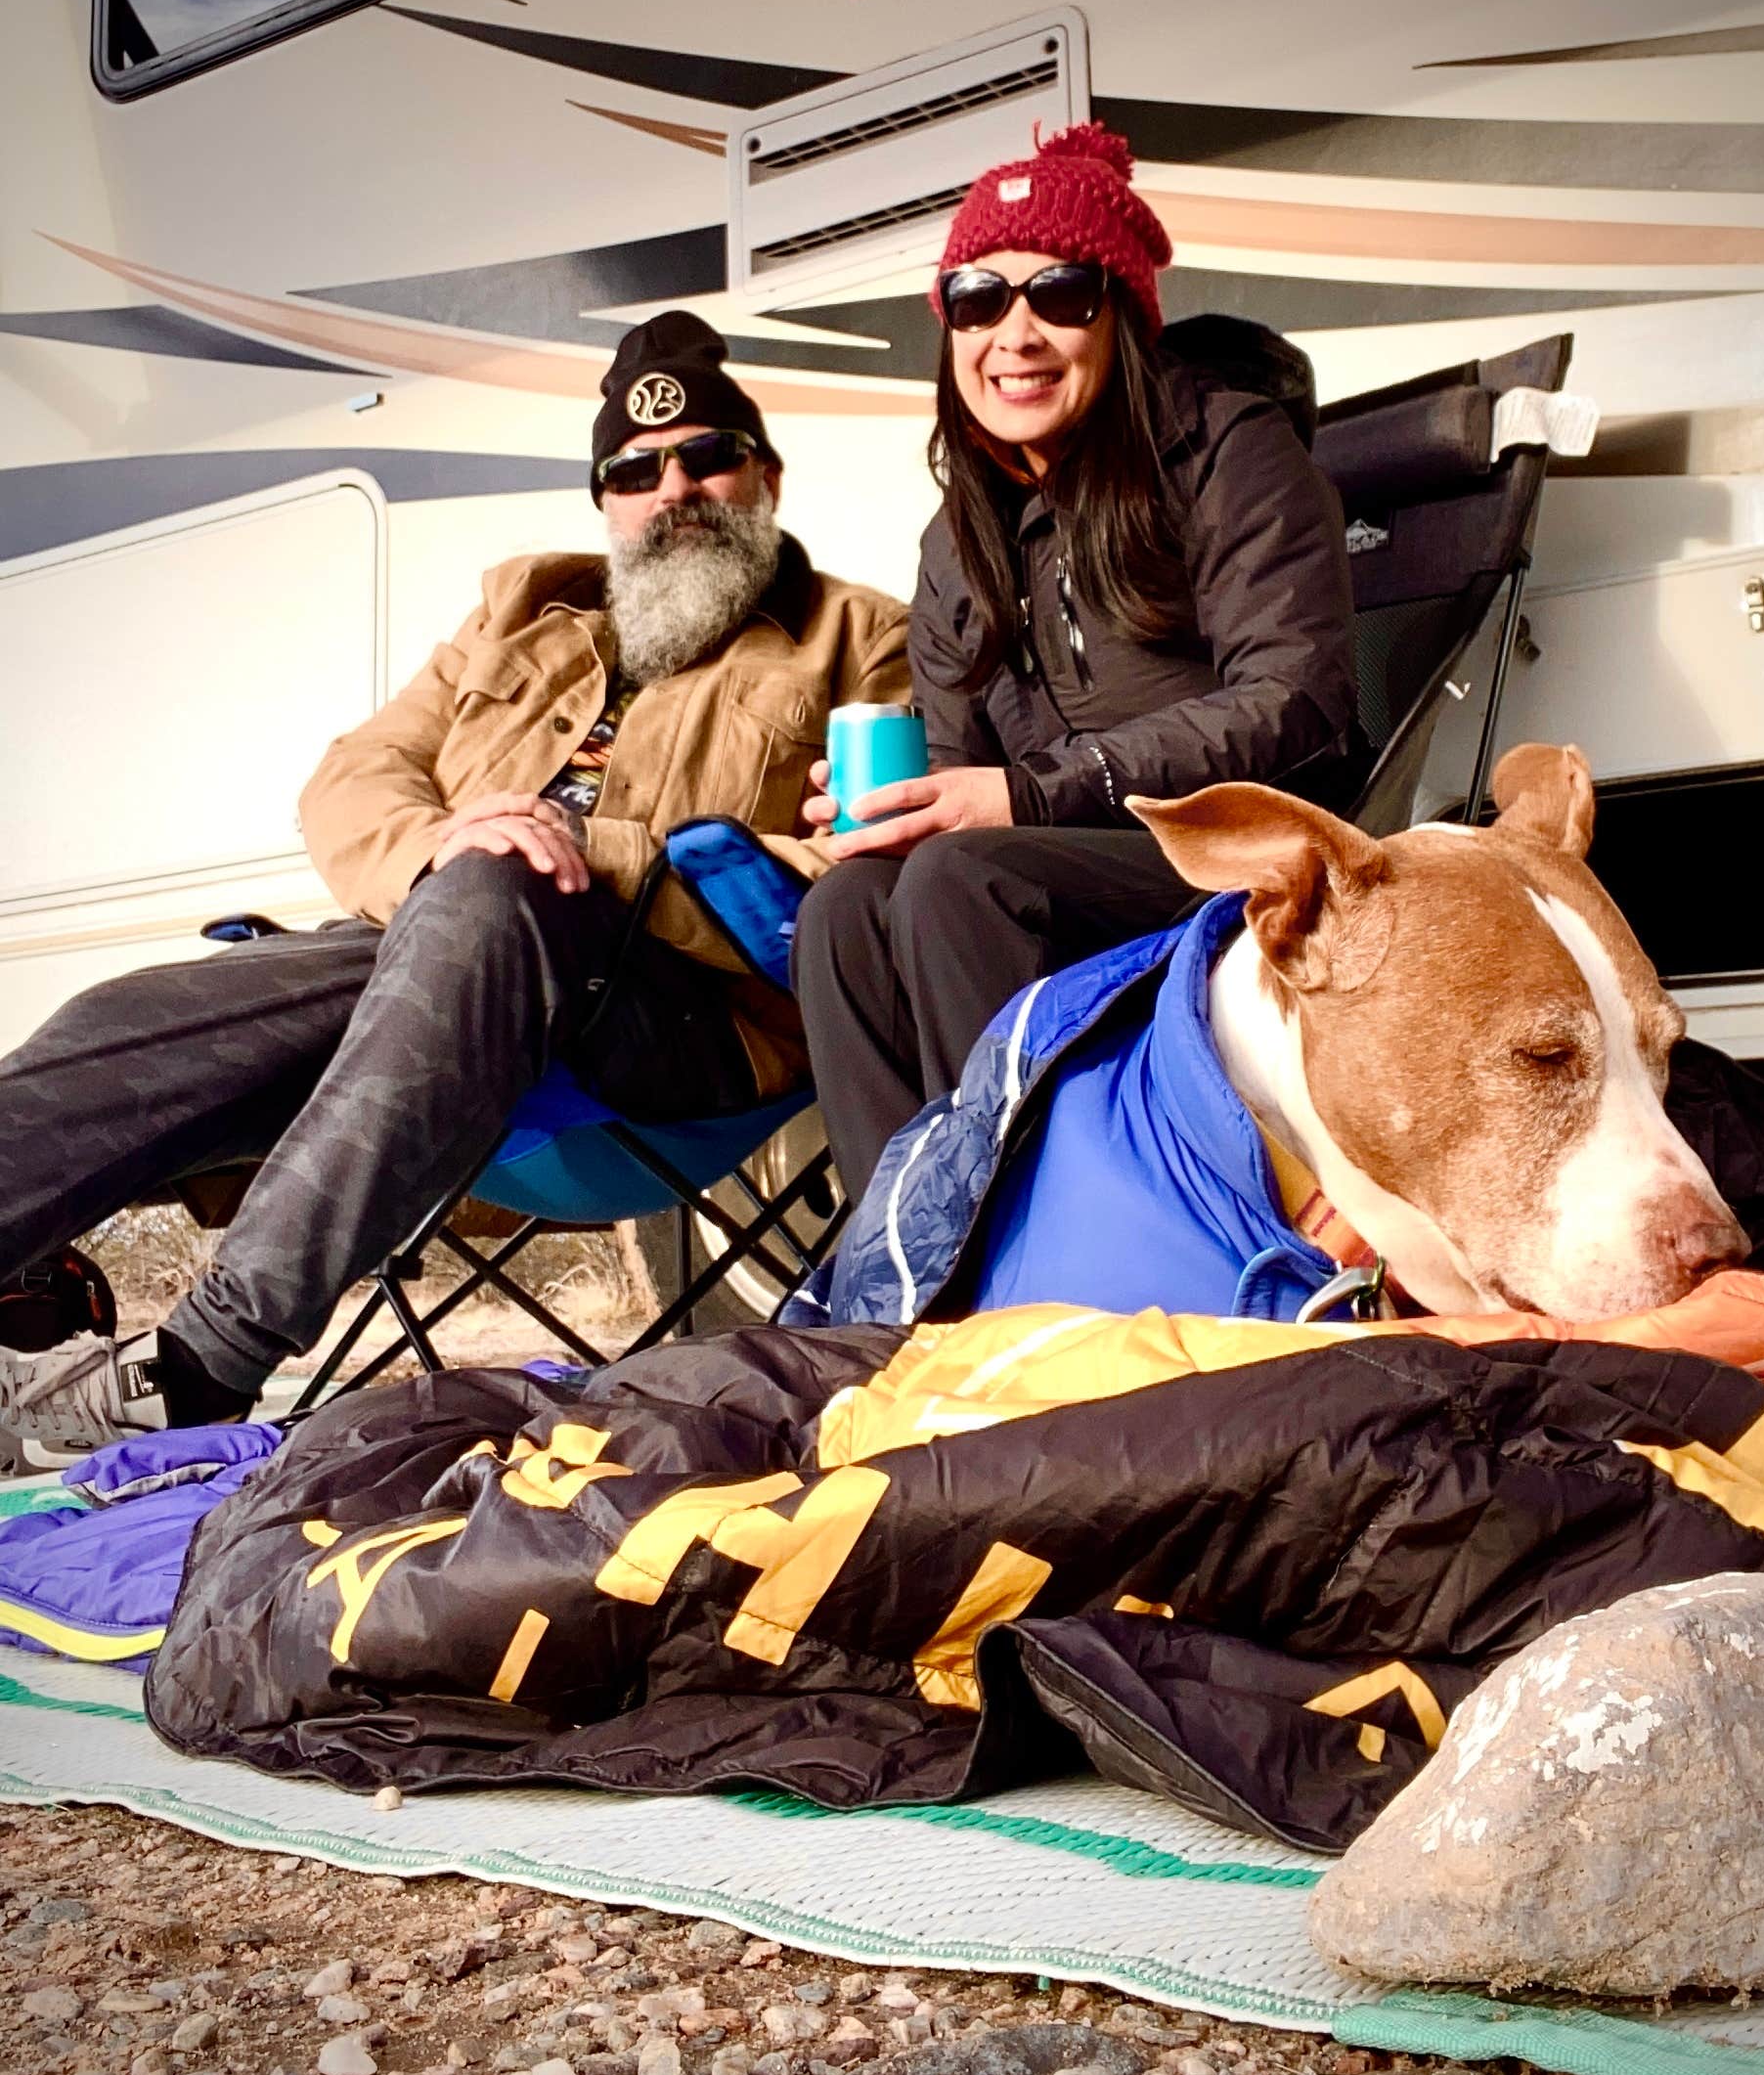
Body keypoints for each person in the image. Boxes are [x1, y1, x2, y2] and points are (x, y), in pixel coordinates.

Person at [0, 312, 908, 1451]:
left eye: (708, 455)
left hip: (674, 1017)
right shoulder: (517, 619)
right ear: (608, 502)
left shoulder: (859, 636)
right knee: (134, 1012)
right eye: (634, 469)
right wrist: (435, 843)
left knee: (493, 887)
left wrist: (598, 851)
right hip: (435, 955)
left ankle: (201, 1361)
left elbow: (875, 882)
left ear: (764, 476)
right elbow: (354, 776)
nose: (672, 486)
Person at [790, 122, 1358, 1201]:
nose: (1017, 331)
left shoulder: (1227, 448)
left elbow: (1299, 696)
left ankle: (1035, 1240)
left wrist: (1028, 791)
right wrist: (896, 812)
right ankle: (905, 1268)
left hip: (1244, 854)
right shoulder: (957, 539)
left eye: (1060, 293)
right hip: (1071, 864)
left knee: (967, 878)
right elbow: (959, 780)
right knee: (851, 907)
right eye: (978, 297)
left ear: (1124, 317)